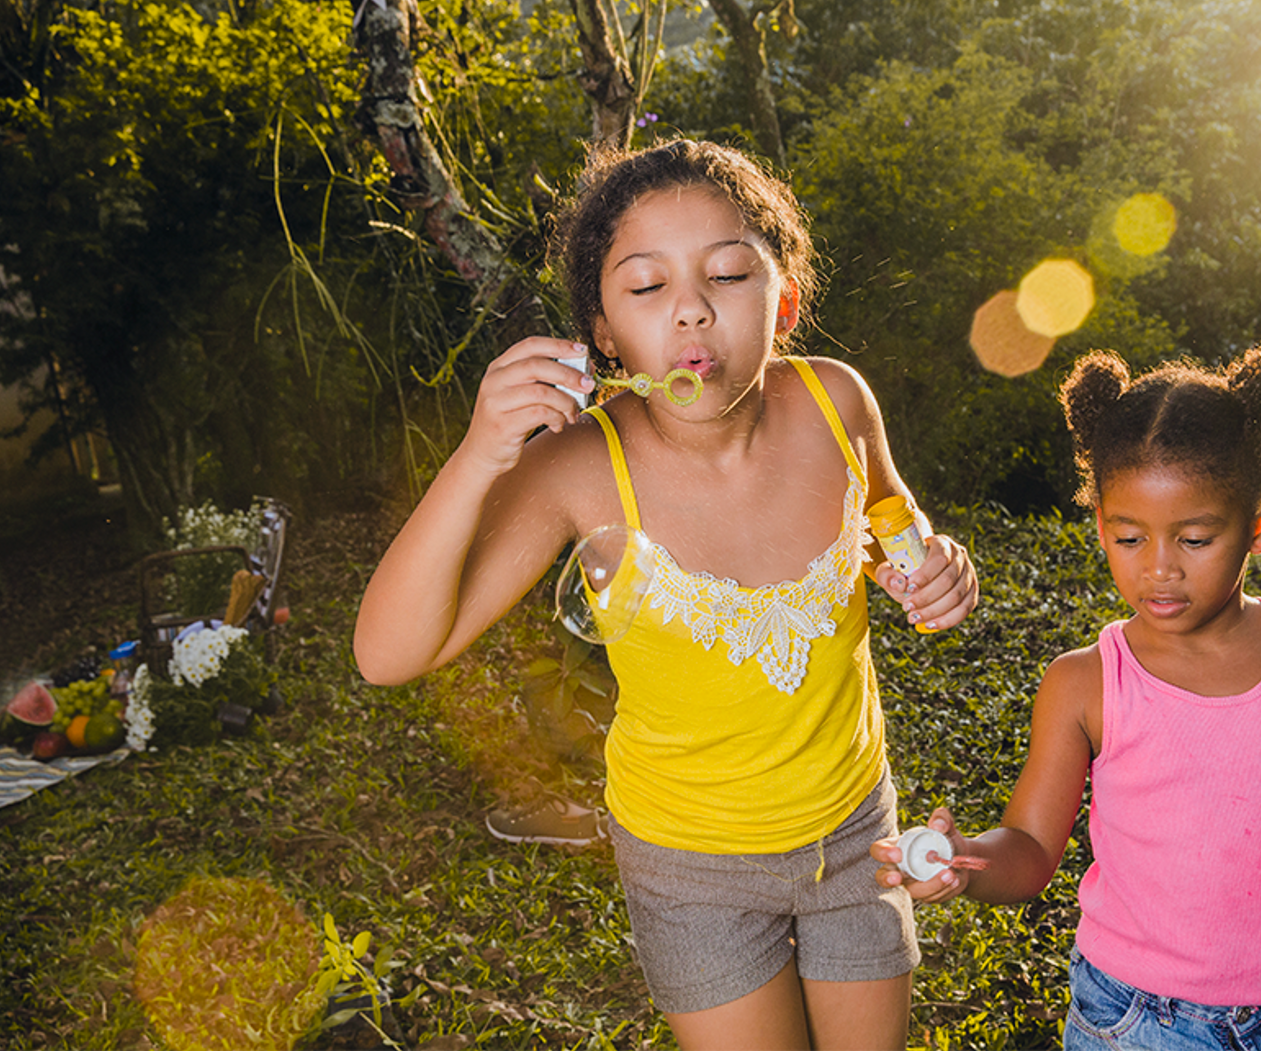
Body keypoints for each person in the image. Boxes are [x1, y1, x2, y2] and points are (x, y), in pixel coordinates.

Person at [354, 138, 979, 1050]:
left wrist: (933, 567)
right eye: (646, 289)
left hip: (856, 833)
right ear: (605, 338)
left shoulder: (838, 401)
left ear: (783, 303)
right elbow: (388, 652)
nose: (690, 310)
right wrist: (479, 454)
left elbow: (891, 518)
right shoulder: (575, 469)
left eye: (727, 274)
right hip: (691, 871)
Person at [870, 348, 1261, 1050]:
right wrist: (963, 861)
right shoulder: (1085, 683)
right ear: (1101, 524)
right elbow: (1033, 848)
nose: (1158, 567)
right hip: (1138, 1022)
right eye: (1128, 537)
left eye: (1194, 538)